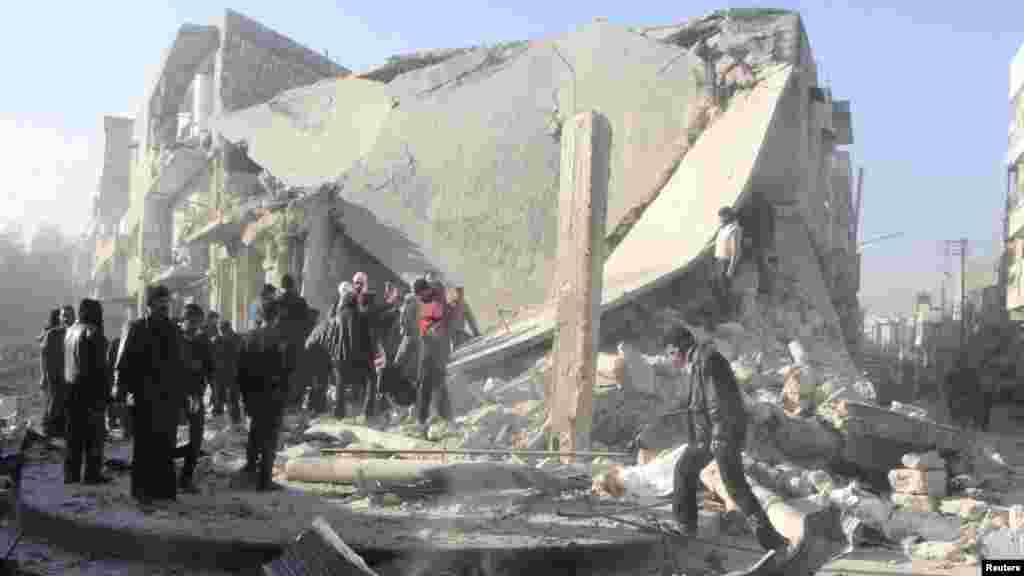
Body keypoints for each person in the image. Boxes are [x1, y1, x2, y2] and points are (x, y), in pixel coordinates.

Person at [663, 324, 798, 567]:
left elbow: (719, 403)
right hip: (711, 438)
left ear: (681, 349)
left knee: (735, 488)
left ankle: (775, 544)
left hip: (719, 437)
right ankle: (687, 529)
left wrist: (719, 437)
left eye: (671, 353)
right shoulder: (699, 362)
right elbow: (700, 405)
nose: (671, 359)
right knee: (686, 471)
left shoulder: (708, 362)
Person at [114, 285, 184, 505]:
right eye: (161, 302)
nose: (165, 305)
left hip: (168, 397)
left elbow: (181, 365)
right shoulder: (135, 328)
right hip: (144, 397)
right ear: (150, 304)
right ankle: (142, 491)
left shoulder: (173, 329)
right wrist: (120, 396)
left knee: (166, 444)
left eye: (167, 302)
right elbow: (123, 364)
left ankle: (164, 490)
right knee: (144, 446)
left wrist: (185, 394)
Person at [237, 300, 294, 490]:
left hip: (253, 394)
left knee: (255, 430)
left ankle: (250, 469)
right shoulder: (281, 338)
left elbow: (241, 370)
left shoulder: (249, 337)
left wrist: (244, 396)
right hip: (273, 393)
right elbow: (287, 369)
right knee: (270, 435)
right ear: (277, 315)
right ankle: (264, 479)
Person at [63, 298, 111, 485]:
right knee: (94, 437)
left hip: (71, 390)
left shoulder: (69, 332)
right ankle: (92, 475)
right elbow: (101, 369)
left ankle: (71, 475)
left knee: (73, 437)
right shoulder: (94, 333)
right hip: (90, 392)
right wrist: (107, 395)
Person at [175, 303, 214, 493]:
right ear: (184, 319)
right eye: (191, 321)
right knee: (167, 437)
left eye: (198, 322)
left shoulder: (202, 341)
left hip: (195, 395)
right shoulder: (173, 338)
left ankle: (186, 478)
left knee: (197, 438)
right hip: (173, 395)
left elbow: (210, 368)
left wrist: (207, 391)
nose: (194, 326)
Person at [414, 277, 453, 435]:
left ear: (425, 291)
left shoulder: (435, 303)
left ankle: (425, 421)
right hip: (432, 350)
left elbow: (436, 329)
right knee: (434, 386)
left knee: (430, 386)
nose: (418, 298)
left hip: (433, 352)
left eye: (419, 294)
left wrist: (429, 331)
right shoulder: (433, 300)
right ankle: (445, 420)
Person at [277, 274, 312, 409]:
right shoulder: (300, 301)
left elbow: (277, 322)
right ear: (293, 285)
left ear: (283, 286)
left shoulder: (279, 302)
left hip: (282, 343)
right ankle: (295, 401)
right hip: (297, 342)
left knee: (282, 371)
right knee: (297, 372)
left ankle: (284, 401)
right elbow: (307, 322)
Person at [39, 308, 67, 437]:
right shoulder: (52, 334)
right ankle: (49, 428)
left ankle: (52, 428)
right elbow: (44, 356)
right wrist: (44, 375)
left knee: (53, 401)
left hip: (57, 373)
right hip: (54, 374)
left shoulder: (54, 333)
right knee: (54, 401)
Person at [713, 206, 742, 322]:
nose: (719, 220)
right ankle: (722, 312)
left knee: (726, 289)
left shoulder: (734, 229)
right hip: (719, 260)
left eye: (721, 217)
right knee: (719, 287)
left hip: (727, 262)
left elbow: (736, 251)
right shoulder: (723, 228)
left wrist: (731, 268)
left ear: (727, 217)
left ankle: (729, 315)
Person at [213, 320, 244, 425]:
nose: (222, 332)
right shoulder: (217, 340)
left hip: (231, 373)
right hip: (222, 374)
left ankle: (235, 422)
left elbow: (241, 355)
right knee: (219, 398)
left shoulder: (236, 339)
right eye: (220, 330)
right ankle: (220, 422)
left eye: (223, 330)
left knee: (231, 399)